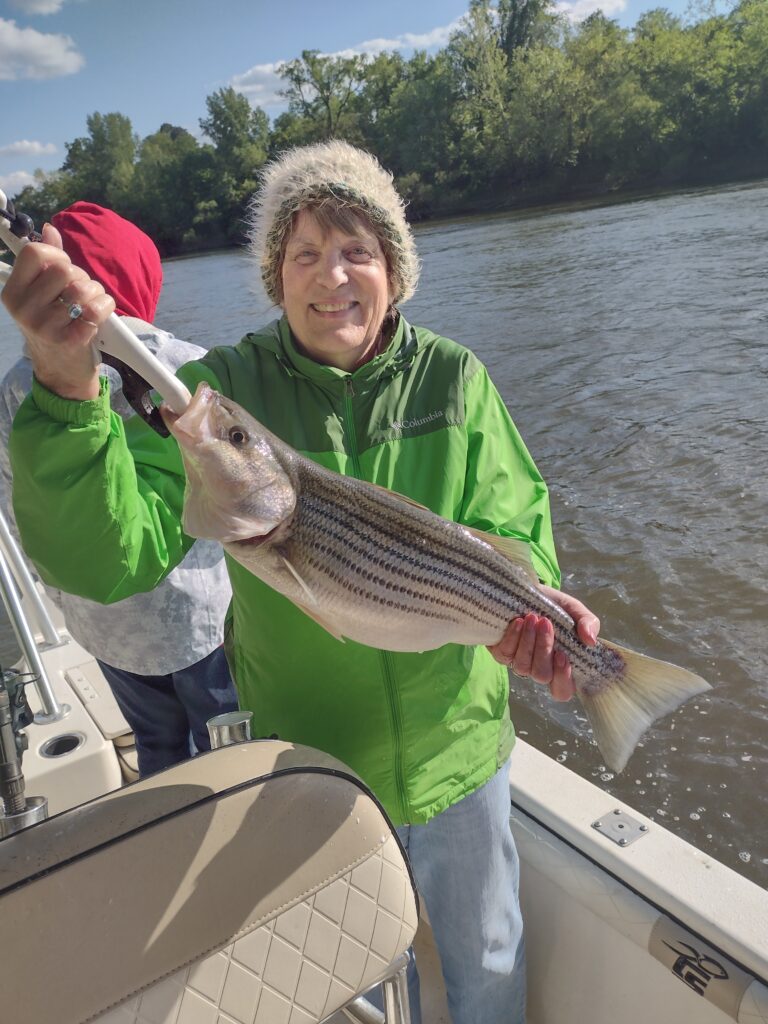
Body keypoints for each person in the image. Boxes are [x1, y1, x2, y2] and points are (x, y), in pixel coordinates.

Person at [3, 144, 600, 1024]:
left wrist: (536, 605)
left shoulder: (455, 377)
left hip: (460, 748)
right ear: (275, 278)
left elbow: (516, 530)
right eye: (304, 253)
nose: (333, 276)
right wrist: (64, 385)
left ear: (395, 270)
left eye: (358, 250)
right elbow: (106, 559)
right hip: (312, 763)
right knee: (352, 981)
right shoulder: (221, 391)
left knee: (488, 957)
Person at [0, 201, 238, 777]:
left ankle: (162, 814)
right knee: (229, 746)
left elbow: (18, 498)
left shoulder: (18, 388)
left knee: (157, 743)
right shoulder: (185, 367)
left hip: (104, 626)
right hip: (200, 621)